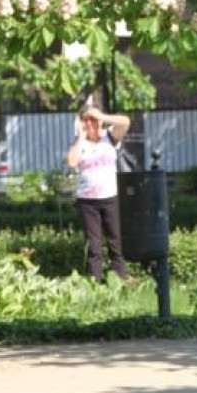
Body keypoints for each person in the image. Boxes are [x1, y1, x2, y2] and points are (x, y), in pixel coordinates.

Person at [65, 105, 131, 281]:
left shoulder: (109, 137)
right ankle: (95, 281)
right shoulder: (79, 143)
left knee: (114, 241)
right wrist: (81, 136)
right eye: (86, 119)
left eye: (92, 119)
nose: (90, 123)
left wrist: (101, 115)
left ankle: (119, 278)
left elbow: (126, 122)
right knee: (93, 246)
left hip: (109, 198)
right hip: (87, 201)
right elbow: (72, 162)